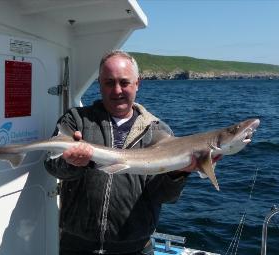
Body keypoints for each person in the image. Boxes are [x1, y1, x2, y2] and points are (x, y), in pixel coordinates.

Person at [44, 50, 197, 255]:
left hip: (135, 248)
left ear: (137, 84)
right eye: (109, 82)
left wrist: (178, 173)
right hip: (77, 245)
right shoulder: (76, 120)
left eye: (124, 82)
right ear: (99, 84)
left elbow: (163, 196)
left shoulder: (159, 133)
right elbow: (52, 166)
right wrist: (71, 163)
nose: (117, 90)